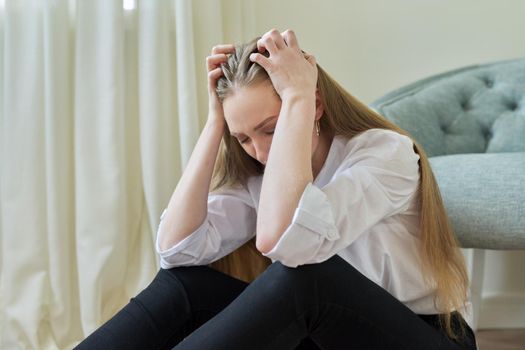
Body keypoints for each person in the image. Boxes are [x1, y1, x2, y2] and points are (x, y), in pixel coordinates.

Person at [76, 29, 478, 349]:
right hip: (327, 336)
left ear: (315, 106)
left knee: (304, 277)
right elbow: (176, 251)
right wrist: (216, 124)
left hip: (423, 337)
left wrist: (299, 95)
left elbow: (287, 242)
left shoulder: (384, 154)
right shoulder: (259, 177)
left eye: (269, 128)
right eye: (245, 138)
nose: (261, 151)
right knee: (186, 286)